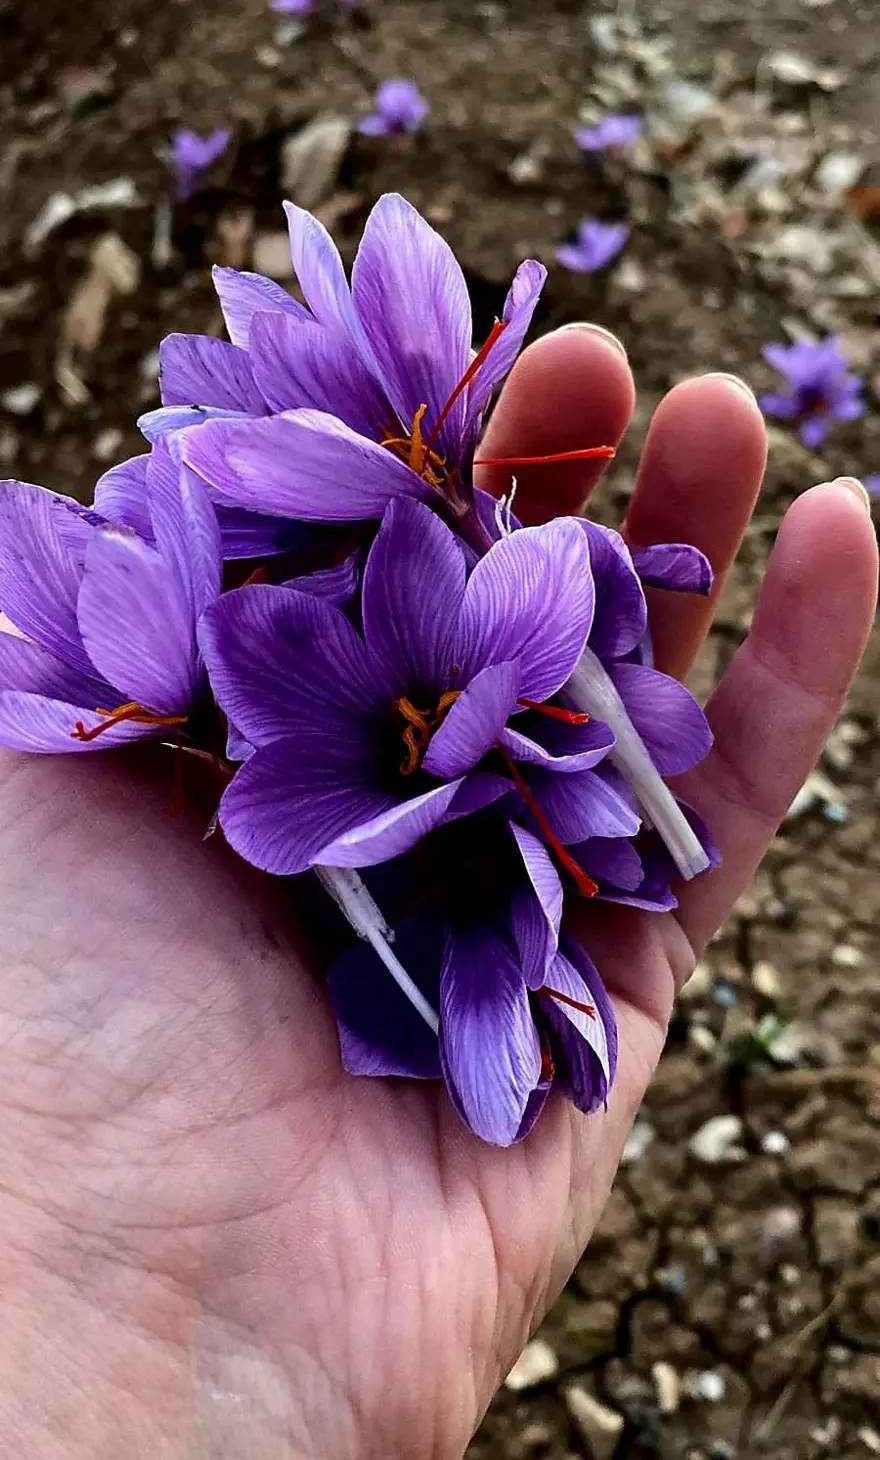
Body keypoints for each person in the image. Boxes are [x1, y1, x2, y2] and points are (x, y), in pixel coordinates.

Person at [0, 324, 875, 1459]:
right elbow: (260, 718)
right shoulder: (261, 681)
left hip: (494, 757)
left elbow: (397, 577)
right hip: (386, 778)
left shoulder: (414, 555)